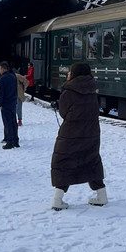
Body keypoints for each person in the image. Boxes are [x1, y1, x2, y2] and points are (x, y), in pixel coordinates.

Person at [50, 62, 107, 211]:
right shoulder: (92, 90)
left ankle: (57, 199)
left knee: (63, 161)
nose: (68, 74)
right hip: (91, 133)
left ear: (74, 74)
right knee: (91, 161)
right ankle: (102, 195)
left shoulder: (69, 91)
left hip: (71, 134)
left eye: (69, 71)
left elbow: (63, 113)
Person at [0, 61, 19, 149]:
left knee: (7, 122)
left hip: (5, 103)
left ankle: (9, 141)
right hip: (13, 102)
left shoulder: (2, 78)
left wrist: (0, 103)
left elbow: (1, 92)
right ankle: (16, 140)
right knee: (13, 122)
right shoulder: (13, 77)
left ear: (2, 68)